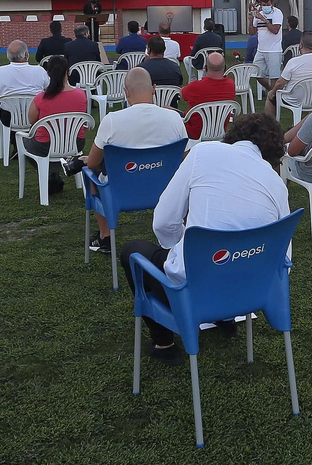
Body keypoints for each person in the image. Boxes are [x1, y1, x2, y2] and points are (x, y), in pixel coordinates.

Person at [119, 113, 291, 361]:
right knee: (223, 256)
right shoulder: (277, 184)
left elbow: (164, 221)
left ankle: (164, 344)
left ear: (234, 135)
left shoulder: (203, 153)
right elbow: (283, 260)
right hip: (252, 291)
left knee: (133, 251)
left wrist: (181, 250)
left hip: (197, 287)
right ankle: (225, 316)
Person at [77, 68, 188, 254]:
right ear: (154, 88)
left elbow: (92, 163)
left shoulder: (112, 120)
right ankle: (178, 234)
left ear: (126, 92)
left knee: (89, 174)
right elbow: (185, 159)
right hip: (167, 191)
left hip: (121, 193)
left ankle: (105, 235)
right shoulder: (174, 119)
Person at [23, 55, 89, 161]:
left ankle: (49, 172)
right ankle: (54, 172)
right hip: (76, 143)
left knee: (24, 140)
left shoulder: (41, 97)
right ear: (68, 71)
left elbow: (32, 121)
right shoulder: (81, 94)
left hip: (45, 146)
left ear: (48, 73)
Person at [265, 31, 312, 114]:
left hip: (294, 100)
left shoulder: (294, 62)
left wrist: (272, 92)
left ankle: (270, 124)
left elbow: (279, 83)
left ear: (301, 45)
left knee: (270, 97)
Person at [0, 40, 51, 127]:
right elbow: (49, 93)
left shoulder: (0, 71)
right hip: (35, 116)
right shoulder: (40, 71)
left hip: (8, 117)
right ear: (26, 55)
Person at [180, 51, 237, 139]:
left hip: (195, 132)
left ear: (205, 68)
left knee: (169, 111)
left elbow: (182, 95)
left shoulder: (195, 86)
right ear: (225, 68)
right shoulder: (231, 85)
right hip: (220, 131)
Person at [251, 0, 285, 96]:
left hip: (274, 50)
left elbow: (275, 30)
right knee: (256, 73)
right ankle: (271, 91)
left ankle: (273, 99)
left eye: (268, 4)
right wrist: (250, 21)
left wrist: (264, 20)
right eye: (264, 5)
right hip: (261, 49)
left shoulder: (277, 13)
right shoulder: (259, 14)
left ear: (272, 4)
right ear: (261, 4)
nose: (266, 7)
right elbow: (252, 32)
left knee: (274, 76)